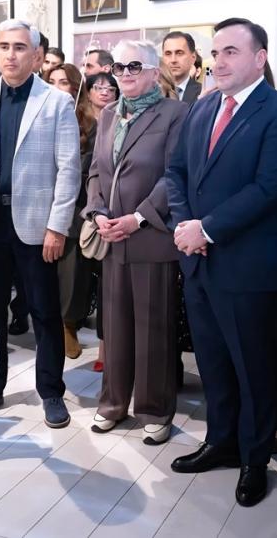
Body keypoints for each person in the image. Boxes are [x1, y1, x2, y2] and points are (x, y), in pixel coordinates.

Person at [165, 17, 277, 507]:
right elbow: (176, 172)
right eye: (215, 52)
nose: (219, 62)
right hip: (199, 263)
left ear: (259, 58)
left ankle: (254, 458)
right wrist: (185, 226)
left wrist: (206, 229)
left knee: (254, 368)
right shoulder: (204, 108)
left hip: (248, 267)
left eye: (231, 52)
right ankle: (221, 442)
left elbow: (268, 189)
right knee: (213, 363)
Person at [0, 18, 80, 429]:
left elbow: (69, 169)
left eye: (20, 47)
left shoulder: (57, 102)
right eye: (4, 46)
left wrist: (57, 227)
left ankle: (51, 392)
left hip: (37, 225)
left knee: (45, 312)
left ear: (37, 55)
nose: (10, 55)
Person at [84, 40, 188, 444]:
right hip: (111, 237)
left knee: (153, 328)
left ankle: (155, 409)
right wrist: (97, 213)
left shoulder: (175, 113)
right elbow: (96, 171)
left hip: (151, 236)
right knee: (114, 327)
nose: (124, 73)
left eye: (134, 66)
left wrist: (138, 218)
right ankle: (112, 403)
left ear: (153, 72)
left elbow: (174, 174)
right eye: (118, 67)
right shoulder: (109, 113)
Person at [43, 63, 95, 359]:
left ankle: (69, 325)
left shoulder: (90, 124)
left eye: (63, 82)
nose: (56, 87)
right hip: (39, 205)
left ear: (76, 88)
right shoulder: (37, 116)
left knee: (72, 274)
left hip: (75, 207)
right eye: (51, 81)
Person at [85, 71, 120, 371]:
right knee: (103, 287)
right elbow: (93, 169)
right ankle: (104, 348)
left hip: (132, 217)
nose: (104, 92)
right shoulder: (99, 121)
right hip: (98, 214)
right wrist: (96, 210)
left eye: (110, 88)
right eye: (98, 87)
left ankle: (114, 352)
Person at [162, 31, 201, 104]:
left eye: (179, 53)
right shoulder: (152, 94)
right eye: (168, 54)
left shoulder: (203, 94)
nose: (173, 60)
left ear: (193, 58)